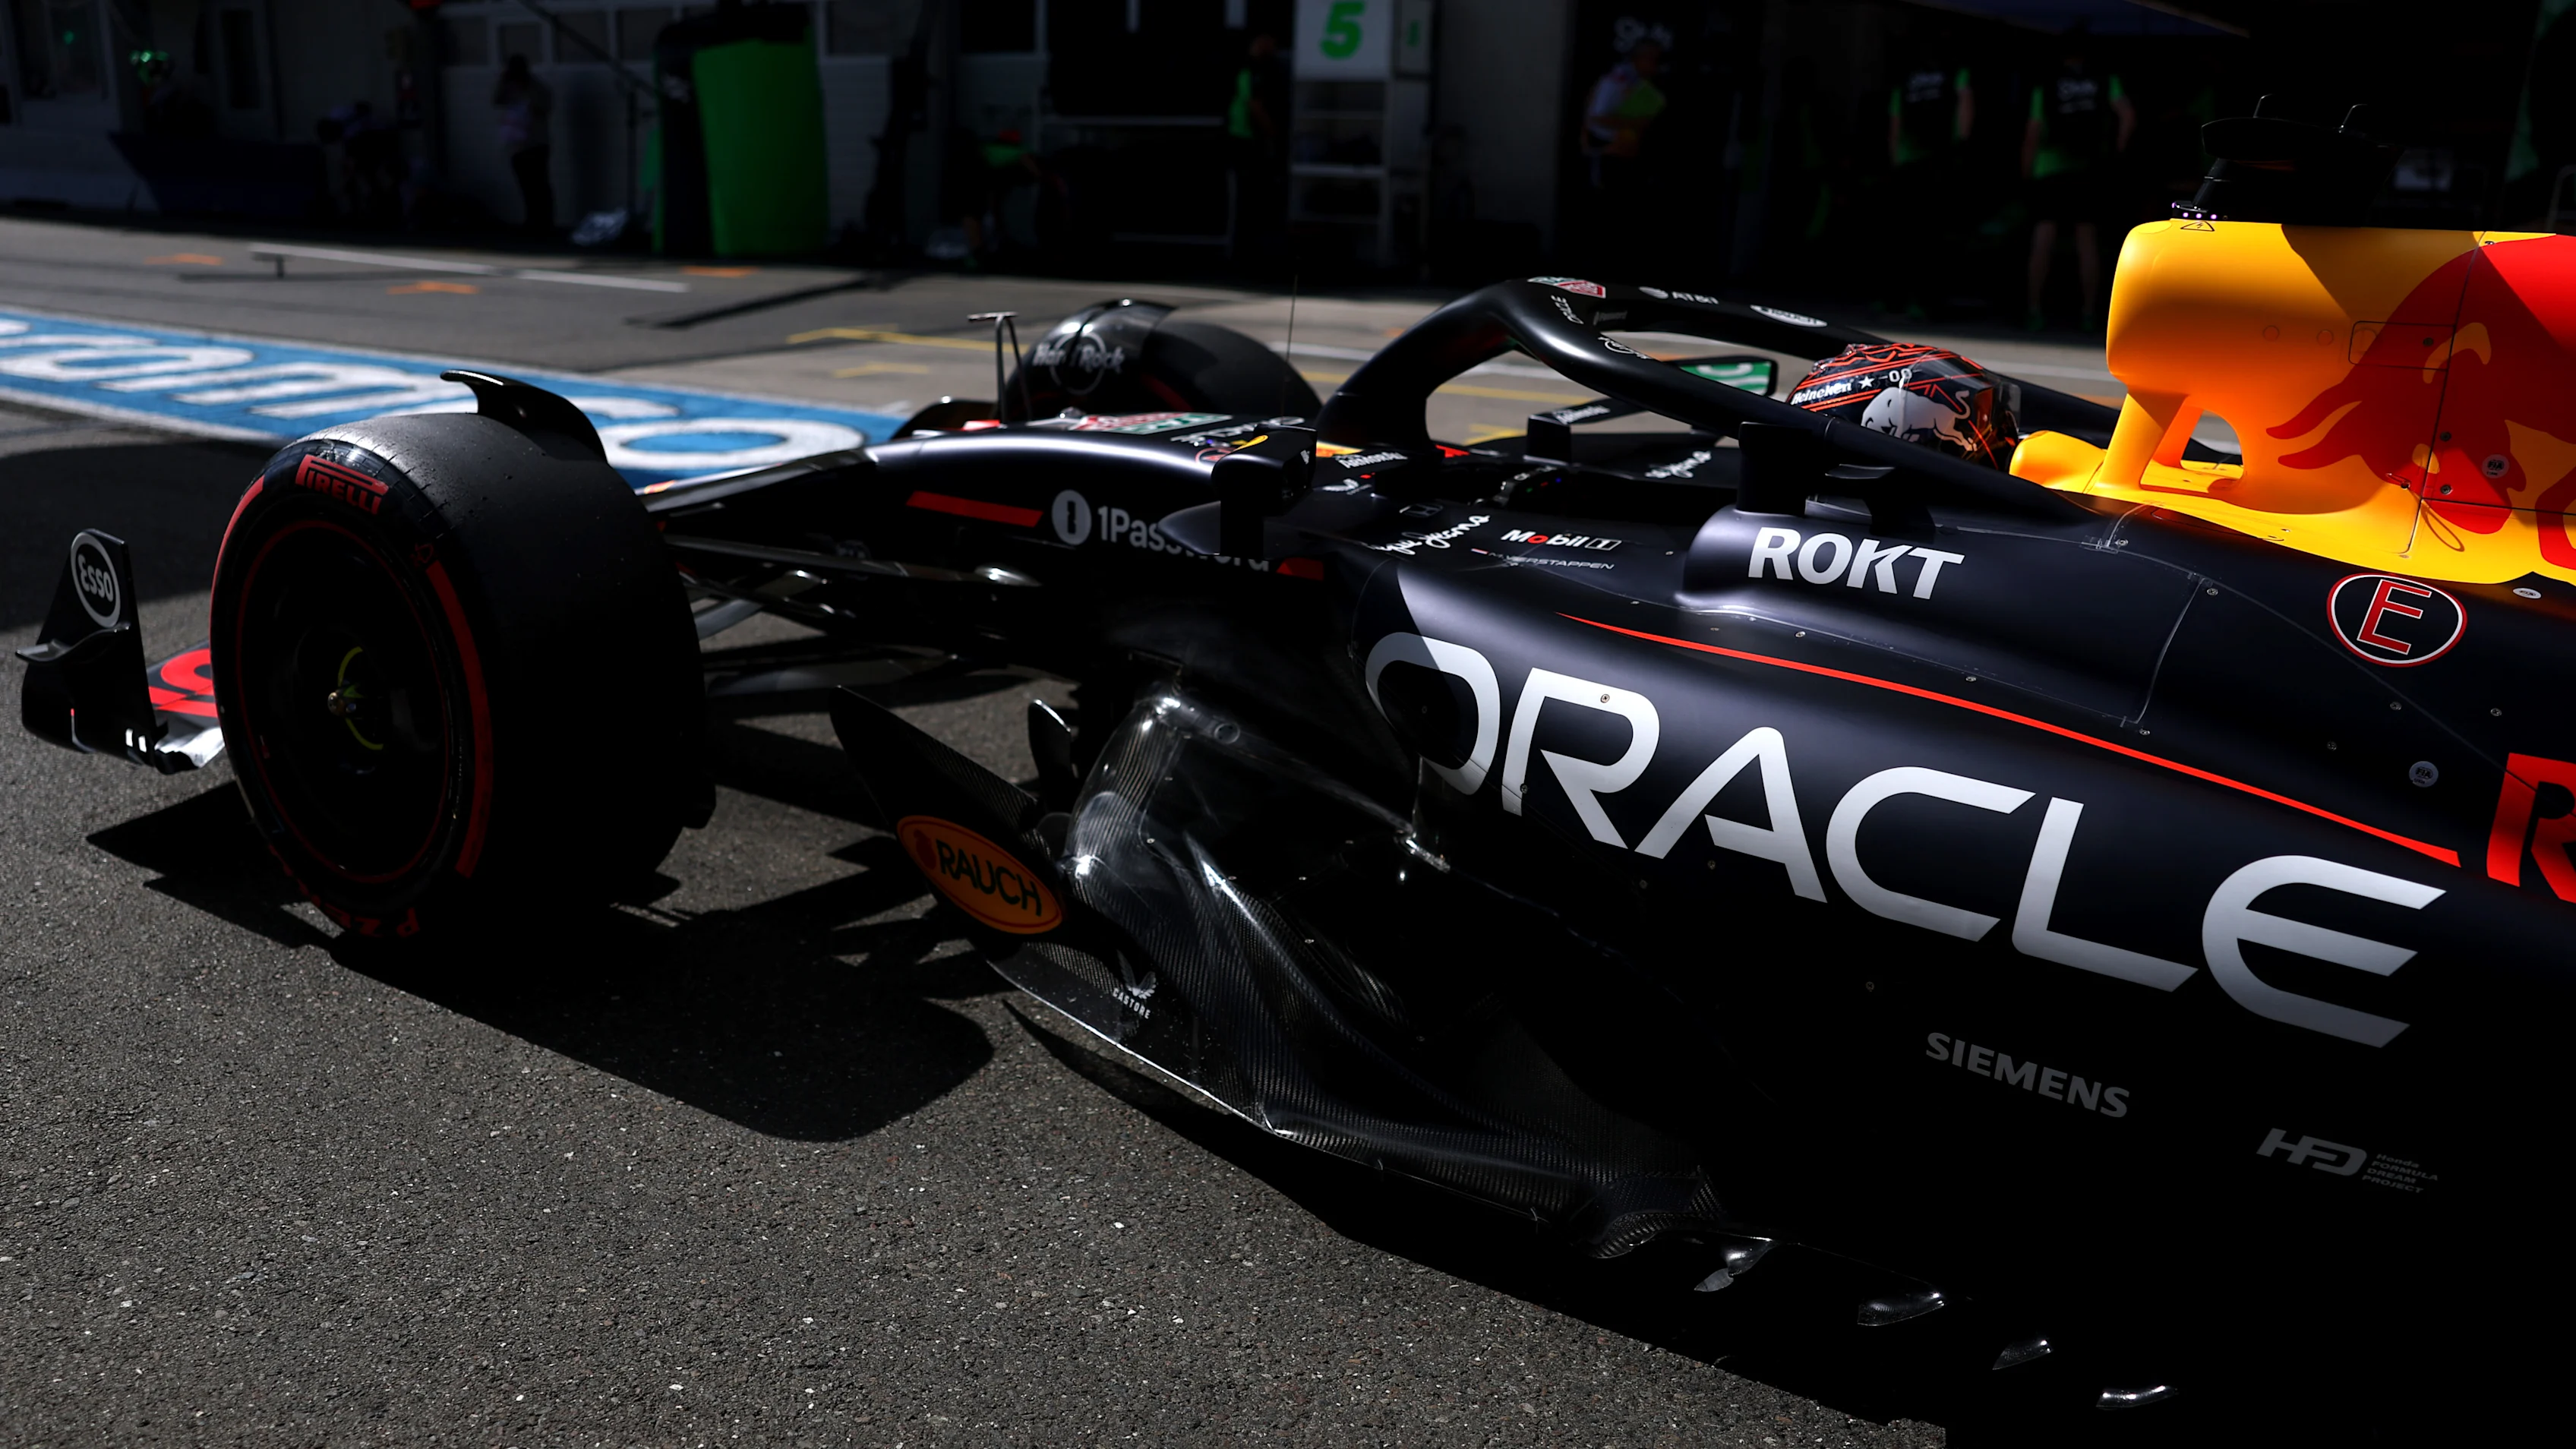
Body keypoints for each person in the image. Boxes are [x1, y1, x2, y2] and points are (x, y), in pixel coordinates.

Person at [2022, 40, 2133, 329]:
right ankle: (2088, 313)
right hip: (2088, 168)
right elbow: (2128, 116)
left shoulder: (2046, 85)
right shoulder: (2105, 81)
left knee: (2043, 240)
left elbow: (2033, 132)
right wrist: (2116, 153)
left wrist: (2027, 172)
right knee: (2087, 242)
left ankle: (2034, 311)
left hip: (2050, 171)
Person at [1885, 52, 1972, 317]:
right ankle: (1924, 300)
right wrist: (1961, 146)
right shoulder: (1956, 69)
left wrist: (1894, 161)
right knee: (1930, 235)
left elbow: (1895, 123)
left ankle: (1896, 297)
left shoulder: (1904, 74)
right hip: (1939, 160)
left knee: (1903, 233)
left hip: (1908, 162)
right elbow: (1966, 109)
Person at [1225, 32, 1290, 270]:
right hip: (1243, 142)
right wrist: (1273, 133)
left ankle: (1249, 254)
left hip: (1250, 142)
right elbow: (1254, 105)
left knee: (1253, 201)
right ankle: (1238, 256)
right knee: (1243, 202)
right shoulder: (1252, 70)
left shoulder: (1262, 68)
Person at [494, 54, 554, 236]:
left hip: (535, 143)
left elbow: (545, 106)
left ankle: (546, 222)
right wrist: (503, 82)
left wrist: (527, 96)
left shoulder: (536, 87)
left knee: (539, 184)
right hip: (517, 144)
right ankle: (531, 220)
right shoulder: (509, 87)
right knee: (526, 185)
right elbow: (496, 100)